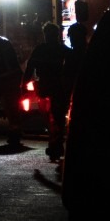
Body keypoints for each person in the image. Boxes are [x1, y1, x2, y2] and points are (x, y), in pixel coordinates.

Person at [23, 21, 71, 160]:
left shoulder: (40, 49)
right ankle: (57, 142)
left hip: (45, 87)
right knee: (58, 117)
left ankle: (54, 141)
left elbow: (30, 68)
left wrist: (23, 86)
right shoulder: (63, 50)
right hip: (58, 87)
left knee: (49, 116)